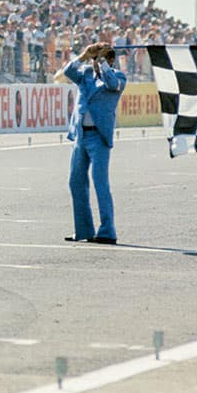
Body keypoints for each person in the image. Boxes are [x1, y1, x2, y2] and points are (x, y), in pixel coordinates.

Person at [61, 42, 126, 245]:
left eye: (104, 57)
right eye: (97, 57)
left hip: (99, 137)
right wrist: (84, 55)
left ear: (112, 59)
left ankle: (107, 230)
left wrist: (104, 65)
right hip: (81, 135)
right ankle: (83, 230)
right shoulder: (86, 74)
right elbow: (68, 72)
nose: (97, 61)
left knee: (100, 183)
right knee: (76, 182)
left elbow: (112, 84)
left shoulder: (119, 76)